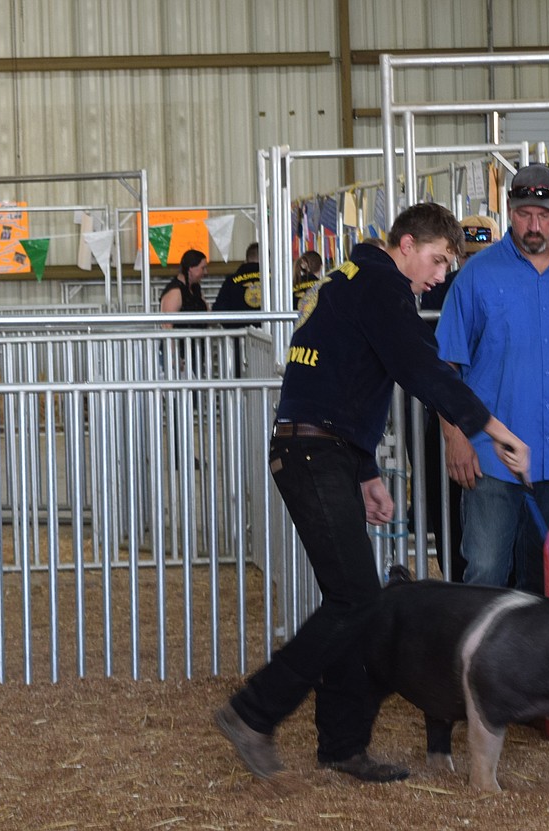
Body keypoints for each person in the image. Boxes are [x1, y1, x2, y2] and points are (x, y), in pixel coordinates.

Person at [214, 202, 530, 784]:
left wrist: (364, 471)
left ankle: (340, 744)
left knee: (355, 602)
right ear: (406, 244)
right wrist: (493, 428)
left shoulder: (350, 278)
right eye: (436, 260)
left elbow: (339, 378)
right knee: (357, 599)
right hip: (313, 453)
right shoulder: (384, 287)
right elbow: (423, 369)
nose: (440, 275)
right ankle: (252, 712)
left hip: (318, 448)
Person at [436, 164, 549, 593]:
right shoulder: (476, 276)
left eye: (544, 213)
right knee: (484, 572)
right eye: (523, 214)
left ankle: (536, 662)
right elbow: (446, 366)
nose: (534, 224)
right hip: (490, 459)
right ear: (508, 211)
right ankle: (481, 662)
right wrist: (455, 437)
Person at [410, 214, 500, 580]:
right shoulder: (440, 288)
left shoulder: (436, 288)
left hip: (460, 413)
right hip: (462, 414)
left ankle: (460, 580)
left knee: (453, 506)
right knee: (457, 504)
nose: (473, 263)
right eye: (469, 254)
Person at [212, 242, 261, 323]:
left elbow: (218, 310)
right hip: (272, 333)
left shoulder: (231, 281)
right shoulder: (275, 281)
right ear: (267, 260)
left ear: (246, 259)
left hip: (237, 333)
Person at [159, 248, 209, 324]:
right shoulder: (175, 292)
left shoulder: (195, 288)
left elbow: (208, 313)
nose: (205, 272)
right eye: (202, 268)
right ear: (191, 268)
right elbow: (167, 325)